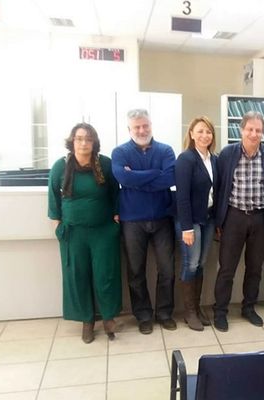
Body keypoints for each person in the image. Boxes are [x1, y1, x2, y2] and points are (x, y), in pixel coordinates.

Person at [48, 122, 122, 344]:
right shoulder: (60, 166)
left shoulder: (105, 164)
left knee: (106, 275)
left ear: (94, 142)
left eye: (88, 139)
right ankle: (87, 321)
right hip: (73, 234)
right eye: (79, 139)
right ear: (72, 142)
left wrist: (116, 218)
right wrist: (58, 227)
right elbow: (53, 199)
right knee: (77, 276)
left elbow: (116, 193)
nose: (83, 143)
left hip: (103, 231)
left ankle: (108, 317)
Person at [213, 111, 264, 332]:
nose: (254, 134)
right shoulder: (227, 154)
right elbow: (219, 187)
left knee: (255, 268)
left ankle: (248, 307)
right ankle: (220, 311)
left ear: (263, 132)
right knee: (227, 269)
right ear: (241, 130)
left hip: (260, 219)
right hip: (234, 217)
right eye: (250, 129)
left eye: (258, 130)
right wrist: (219, 220)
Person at [111, 109, 177, 334]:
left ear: (151, 125)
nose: (141, 130)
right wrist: (155, 173)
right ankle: (143, 316)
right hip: (132, 221)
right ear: (129, 129)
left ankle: (164, 313)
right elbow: (123, 177)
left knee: (167, 270)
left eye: (145, 125)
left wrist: (136, 179)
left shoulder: (165, 150)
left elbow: (170, 177)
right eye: (136, 127)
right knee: (135, 271)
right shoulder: (120, 152)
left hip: (162, 218)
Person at [174, 116, 218, 331]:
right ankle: (189, 312)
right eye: (200, 131)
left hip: (208, 218)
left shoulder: (214, 159)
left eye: (208, 131)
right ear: (191, 134)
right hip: (190, 221)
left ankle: (197, 308)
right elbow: (182, 196)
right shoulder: (186, 159)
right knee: (190, 264)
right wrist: (187, 228)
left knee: (201, 263)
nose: (204, 135)